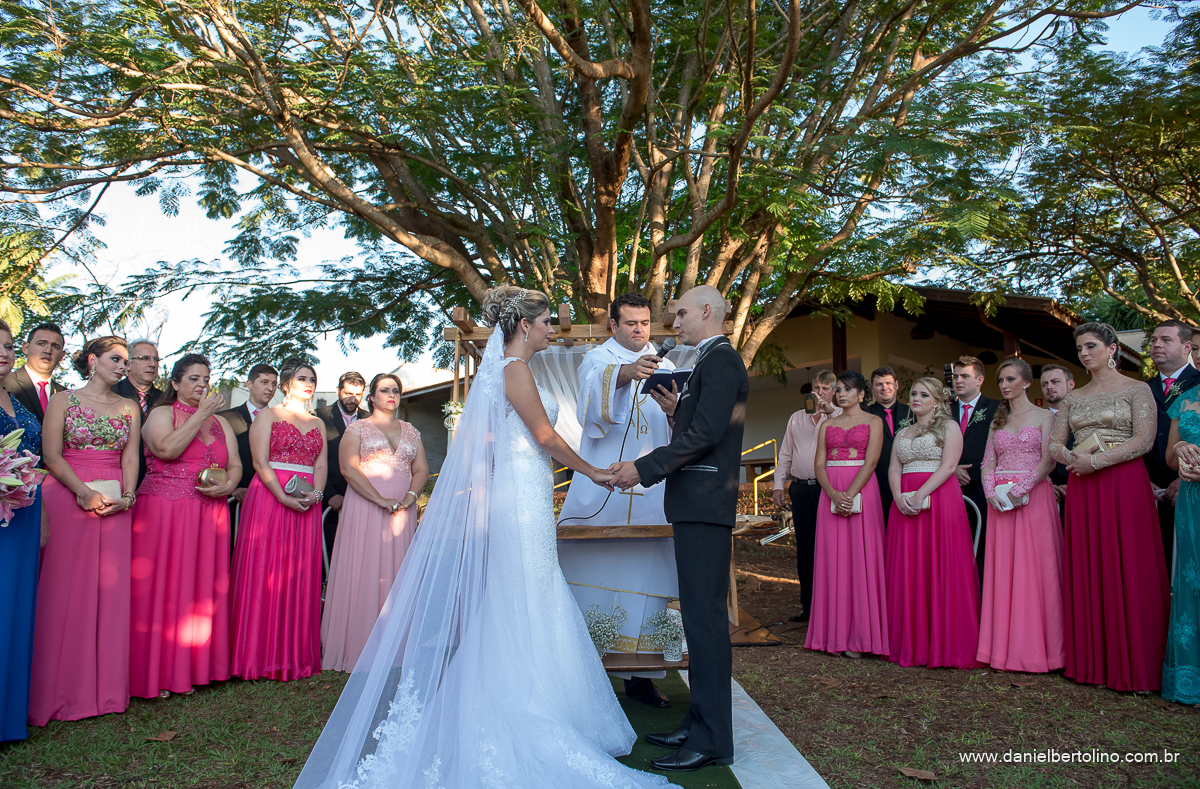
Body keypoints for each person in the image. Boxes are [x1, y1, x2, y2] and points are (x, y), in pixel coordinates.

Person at [294, 286, 669, 789]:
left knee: (529, 590)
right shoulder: (513, 371)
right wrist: (594, 471)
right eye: (544, 323)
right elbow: (544, 436)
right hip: (520, 498)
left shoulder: (512, 371)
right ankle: (522, 702)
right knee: (526, 590)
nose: (550, 330)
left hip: (525, 490)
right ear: (522, 326)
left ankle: (543, 696)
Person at [611, 284, 748, 772]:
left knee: (707, 623)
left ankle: (713, 741)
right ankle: (698, 722)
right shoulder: (706, 362)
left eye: (682, 312)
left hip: (706, 502)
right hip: (694, 501)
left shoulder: (722, 361)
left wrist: (643, 467)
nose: (675, 321)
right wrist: (676, 411)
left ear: (708, 311)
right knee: (695, 618)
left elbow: (709, 436)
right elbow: (702, 426)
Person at [558, 292, 677, 708]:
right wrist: (626, 372)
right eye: (629, 323)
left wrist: (676, 406)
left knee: (647, 582)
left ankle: (641, 676)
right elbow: (590, 408)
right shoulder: (596, 359)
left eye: (644, 323)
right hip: (602, 486)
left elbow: (682, 428)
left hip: (652, 490)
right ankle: (579, 667)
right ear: (613, 325)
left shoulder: (668, 363)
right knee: (591, 574)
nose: (639, 330)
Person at [1049, 322, 1169, 692]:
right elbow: (1055, 445)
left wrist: (1096, 462)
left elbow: (1145, 441)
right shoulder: (1072, 397)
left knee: (1130, 563)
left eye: (1091, 346)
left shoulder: (1137, 389)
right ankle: (1094, 664)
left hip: (1125, 483)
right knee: (1091, 564)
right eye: (1080, 349)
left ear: (1112, 348)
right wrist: (1070, 457)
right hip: (1084, 488)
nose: (1084, 354)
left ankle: (1136, 666)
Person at [29, 337, 141, 726]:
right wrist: (82, 492)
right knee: (65, 589)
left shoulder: (129, 406)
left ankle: (106, 692)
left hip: (116, 500)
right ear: (92, 361)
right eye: (116, 359)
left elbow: (131, 455)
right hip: (68, 493)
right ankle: (58, 692)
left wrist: (128, 496)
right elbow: (52, 455)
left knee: (109, 593)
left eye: (126, 361)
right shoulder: (63, 400)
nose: (123, 366)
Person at [130, 354, 241, 699]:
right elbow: (166, 449)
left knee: (201, 588)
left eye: (206, 379)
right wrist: (203, 414)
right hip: (166, 513)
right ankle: (157, 673)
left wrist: (229, 485)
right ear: (175, 383)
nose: (201, 385)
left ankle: (197, 667)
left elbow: (235, 465)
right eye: (193, 379)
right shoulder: (161, 414)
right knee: (165, 587)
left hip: (210, 514)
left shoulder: (221, 424)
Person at [320, 373, 429, 672]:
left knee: (398, 571)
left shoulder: (411, 431)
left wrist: (409, 497)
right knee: (365, 568)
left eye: (395, 390)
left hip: (402, 511)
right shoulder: (358, 430)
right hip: (366, 507)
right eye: (384, 390)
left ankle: (396, 644)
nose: (391, 395)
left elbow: (421, 469)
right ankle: (358, 644)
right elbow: (348, 469)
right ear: (372, 397)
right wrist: (379, 499)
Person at [230, 358, 327, 682]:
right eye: (301, 378)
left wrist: (316, 495)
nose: (308, 383)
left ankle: (295, 654)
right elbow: (259, 462)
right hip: (270, 499)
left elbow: (322, 464)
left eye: (311, 378)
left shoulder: (318, 423)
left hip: (306, 499)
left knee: (298, 573)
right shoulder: (268, 416)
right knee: (265, 570)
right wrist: (282, 496)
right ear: (286, 383)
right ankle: (258, 655)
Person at [886, 377, 982, 670]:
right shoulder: (903, 432)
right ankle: (909, 643)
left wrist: (921, 494)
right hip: (904, 501)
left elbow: (950, 466)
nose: (916, 398)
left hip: (939, 499)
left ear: (937, 401)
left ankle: (946, 645)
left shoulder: (949, 427)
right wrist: (899, 496)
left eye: (923, 395)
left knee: (941, 564)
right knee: (909, 567)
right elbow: (893, 467)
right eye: (913, 393)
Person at [976, 358, 1065, 673]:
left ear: (1027, 382)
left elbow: (1048, 461)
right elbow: (987, 461)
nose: (1004, 385)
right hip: (1000, 502)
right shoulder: (997, 420)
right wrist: (990, 492)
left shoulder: (1044, 416)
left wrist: (1021, 489)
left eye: (1010, 379)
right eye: (1001, 380)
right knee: (1004, 572)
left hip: (1033, 497)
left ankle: (1041, 651)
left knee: (1035, 570)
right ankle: (1002, 649)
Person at [805, 370, 888, 659]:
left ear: (862, 394)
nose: (841, 393)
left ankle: (862, 637)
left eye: (847, 389)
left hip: (863, 490)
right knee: (833, 559)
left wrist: (850, 494)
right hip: (831, 491)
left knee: (862, 558)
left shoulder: (874, 421)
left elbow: (873, 460)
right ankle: (833, 634)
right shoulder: (827, 424)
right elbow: (819, 465)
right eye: (838, 389)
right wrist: (832, 493)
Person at [0, 320, 43, 742]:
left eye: (9, 346)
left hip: (25, 513)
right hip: (0, 515)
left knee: (16, 609)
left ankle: (9, 718)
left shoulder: (20, 406)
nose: (3, 353)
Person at [773, 370, 840, 623]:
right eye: (816, 387)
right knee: (806, 549)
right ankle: (808, 605)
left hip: (827, 489)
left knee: (830, 547)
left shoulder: (840, 416)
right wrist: (779, 484)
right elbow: (786, 454)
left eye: (824, 388)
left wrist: (828, 412)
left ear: (834, 390)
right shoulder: (796, 418)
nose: (819, 392)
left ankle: (831, 605)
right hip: (801, 488)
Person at [1144, 321, 1199, 572]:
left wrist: (1182, 477)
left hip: (1189, 485)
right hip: (1149, 490)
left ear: (1187, 346)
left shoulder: (1196, 383)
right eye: (1154, 340)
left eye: (1166, 340)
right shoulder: (1142, 388)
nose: (1157, 344)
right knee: (1158, 566)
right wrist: (1143, 480)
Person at [1162, 385, 1200, 704]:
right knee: (1191, 580)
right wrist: (1184, 447)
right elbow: (1170, 458)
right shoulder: (1184, 400)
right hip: (1191, 500)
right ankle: (1189, 676)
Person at [950, 355, 1000, 580]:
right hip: (949, 488)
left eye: (965, 376)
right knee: (953, 552)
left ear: (980, 379)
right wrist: (952, 469)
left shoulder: (997, 408)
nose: (958, 381)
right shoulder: (942, 410)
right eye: (955, 376)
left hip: (983, 490)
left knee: (985, 553)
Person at [217, 363, 278, 545]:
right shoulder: (226, 417)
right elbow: (216, 458)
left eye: (274, 384)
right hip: (235, 500)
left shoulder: (281, 420)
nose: (270, 388)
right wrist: (232, 488)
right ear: (249, 384)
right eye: (264, 382)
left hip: (271, 498)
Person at [315, 372, 368, 565]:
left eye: (358, 394)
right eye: (348, 393)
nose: (353, 399)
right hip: (329, 501)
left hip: (361, 498)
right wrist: (329, 494)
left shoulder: (369, 420)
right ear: (338, 390)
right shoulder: (318, 416)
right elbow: (315, 459)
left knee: (355, 558)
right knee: (326, 557)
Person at [112, 338, 164, 486]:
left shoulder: (166, 400)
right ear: (127, 364)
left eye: (155, 359)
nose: (152, 364)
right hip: (117, 479)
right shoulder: (111, 394)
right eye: (145, 358)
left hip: (156, 482)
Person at [864, 366, 912, 519]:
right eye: (879, 384)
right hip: (876, 480)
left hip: (908, 480)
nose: (884, 388)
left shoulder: (913, 413)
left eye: (888, 383)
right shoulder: (865, 414)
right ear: (873, 388)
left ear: (896, 385)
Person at [2, 322, 66, 423]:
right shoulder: (5, 383)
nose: (48, 350)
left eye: (55, 347)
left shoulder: (67, 395)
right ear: (25, 348)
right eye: (41, 344)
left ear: (62, 355)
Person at [1039, 364, 1076, 504]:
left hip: (1081, 489)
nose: (1049, 387)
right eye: (1044, 384)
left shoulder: (1087, 417)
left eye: (1055, 382)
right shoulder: (1036, 422)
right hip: (1048, 496)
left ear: (1070, 384)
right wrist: (1045, 485)